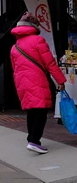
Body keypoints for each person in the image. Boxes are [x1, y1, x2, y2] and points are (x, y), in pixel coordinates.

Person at [10, 12, 66, 154]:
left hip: (21, 82)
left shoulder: (14, 47)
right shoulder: (38, 41)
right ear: (34, 26)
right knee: (40, 111)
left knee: (32, 111)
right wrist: (60, 80)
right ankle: (34, 141)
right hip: (37, 80)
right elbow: (50, 64)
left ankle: (31, 140)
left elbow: (14, 67)